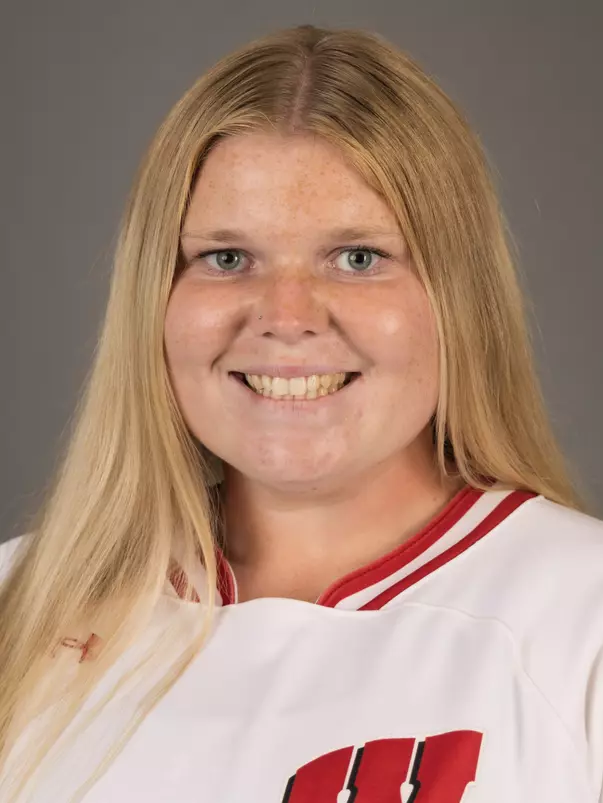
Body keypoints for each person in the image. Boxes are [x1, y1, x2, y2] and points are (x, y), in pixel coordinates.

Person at [0, 22, 602, 803]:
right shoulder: (19, 600)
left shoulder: (580, 619)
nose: (286, 316)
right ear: (155, 299)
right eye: (226, 258)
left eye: (357, 257)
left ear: (458, 299)